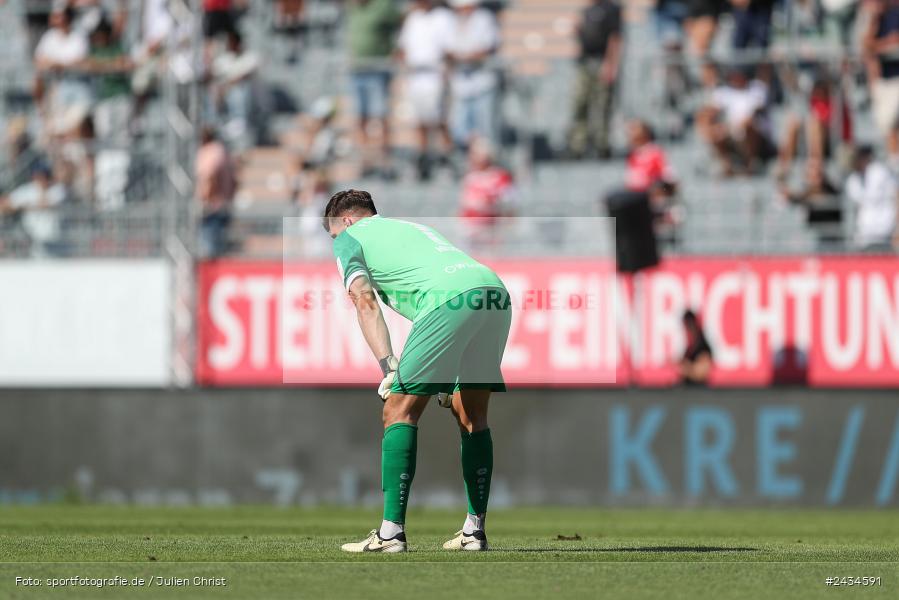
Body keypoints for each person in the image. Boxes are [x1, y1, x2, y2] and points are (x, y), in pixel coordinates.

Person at [324, 189, 511, 553]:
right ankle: (474, 532)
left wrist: (387, 364)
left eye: (333, 234)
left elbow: (363, 299)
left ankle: (390, 534)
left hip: (449, 299)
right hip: (494, 292)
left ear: (346, 221)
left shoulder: (349, 238)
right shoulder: (412, 228)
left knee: (398, 409)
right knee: (471, 413)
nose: (335, 242)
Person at [397, 0, 454, 180]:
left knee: (439, 121)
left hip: (435, 77)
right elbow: (404, 48)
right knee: (419, 122)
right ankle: (422, 160)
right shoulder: (413, 19)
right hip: (416, 78)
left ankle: (445, 160)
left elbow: (449, 49)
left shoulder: (443, 18)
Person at [347, 0, 402, 177]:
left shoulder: (383, 5)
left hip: (378, 70)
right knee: (360, 119)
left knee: (380, 118)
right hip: (357, 71)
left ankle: (384, 161)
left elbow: (400, 22)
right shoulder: (354, 9)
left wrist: (394, 50)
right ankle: (365, 161)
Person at [568, 0, 622, 160]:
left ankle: (602, 144)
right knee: (580, 103)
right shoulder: (587, 11)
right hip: (586, 62)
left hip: (601, 61)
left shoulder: (611, 9)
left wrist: (610, 64)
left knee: (602, 104)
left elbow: (615, 38)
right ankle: (578, 144)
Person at [696, 66, 773, 175]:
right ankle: (727, 165)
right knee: (711, 128)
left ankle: (750, 164)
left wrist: (729, 128)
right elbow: (709, 111)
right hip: (731, 133)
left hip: (756, 137)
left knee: (748, 126)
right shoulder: (724, 92)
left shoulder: (757, 88)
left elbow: (752, 117)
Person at [445, 0, 501, 148]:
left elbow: (487, 48)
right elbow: (448, 49)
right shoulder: (452, 22)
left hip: (482, 84)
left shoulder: (484, 19)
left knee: (485, 130)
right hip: (461, 86)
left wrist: (466, 57)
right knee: (460, 131)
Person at [0, 161, 68, 257]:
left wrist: (25, 206)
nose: (40, 179)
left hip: (54, 239)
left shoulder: (57, 189)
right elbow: (5, 203)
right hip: (30, 236)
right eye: (38, 176)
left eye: (44, 175)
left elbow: (46, 204)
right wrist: (17, 207)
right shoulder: (28, 189)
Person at [459, 137, 516, 249]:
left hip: (493, 227)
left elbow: (510, 200)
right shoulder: (470, 177)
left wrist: (492, 203)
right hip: (472, 228)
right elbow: (466, 202)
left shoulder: (500, 176)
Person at [777, 157, 843, 250]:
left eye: (817, 174)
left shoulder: (831, 190)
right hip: (813, 238)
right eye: (811, 175)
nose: (814, 179)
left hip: (830, 239)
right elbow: (798, 198)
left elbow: (821, 198)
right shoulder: (807, 192)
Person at [863, 0, 899, 161]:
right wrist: (887, 43)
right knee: (889, 127)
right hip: (887, 82)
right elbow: (867, 46)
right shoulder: (877, 17)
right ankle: (894, 164)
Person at [845, 146, 899, 251]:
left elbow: (896, 193)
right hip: (865, 233)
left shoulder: (879, 171)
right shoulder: (852, 181)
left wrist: (897, 228)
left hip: (886, 230)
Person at [195, 128, 237, 257]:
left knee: (210, 252)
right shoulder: (223, 152)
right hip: (223, 204)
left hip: (212, 207)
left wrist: (206, 199)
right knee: (219, 248)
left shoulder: (211, 151)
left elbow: (211, 176)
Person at [679, 310, 713, 385]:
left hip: (698, 390)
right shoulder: (690, 348)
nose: (686, 330)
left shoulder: (703, 347)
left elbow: (701, 374)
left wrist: (685, 367)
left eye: (687, 326)